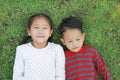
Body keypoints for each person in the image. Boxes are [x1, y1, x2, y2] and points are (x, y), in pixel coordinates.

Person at [13, 13, 65, 80]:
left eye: (45, 28)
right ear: (29, 31)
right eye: (36, 27)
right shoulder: (22, 50)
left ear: (50, 32)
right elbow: (17, 76)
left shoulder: (57, 49)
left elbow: (60, 75)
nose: (40, 32)